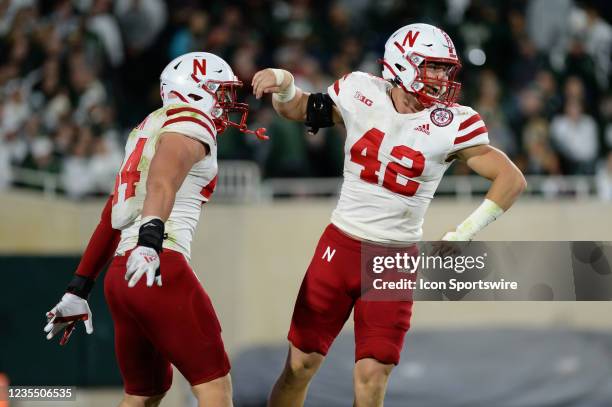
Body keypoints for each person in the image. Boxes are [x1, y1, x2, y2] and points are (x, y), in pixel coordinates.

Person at [252, 23, 526, 407]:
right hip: (340, 246)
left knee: (373, 376)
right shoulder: (360, 91)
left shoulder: (453, 122)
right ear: (403, 64)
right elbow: (297, 108)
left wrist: (464, 232)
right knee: (301, 365)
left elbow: (511, 179)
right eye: (433, 67)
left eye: (446, 69)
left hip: (394, 258)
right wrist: (283, 82)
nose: (442, 78)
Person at [44, 51, 266, 407]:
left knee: (142, 396)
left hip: (122, 275)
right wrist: (150, 242)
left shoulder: (147, 128)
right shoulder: (191, 122)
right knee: (215, 389)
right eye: (220, 92)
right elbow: (163, 180)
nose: (226, 103)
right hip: (157, 264)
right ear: (196, 91)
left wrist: (79, 288)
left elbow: (112, 214)